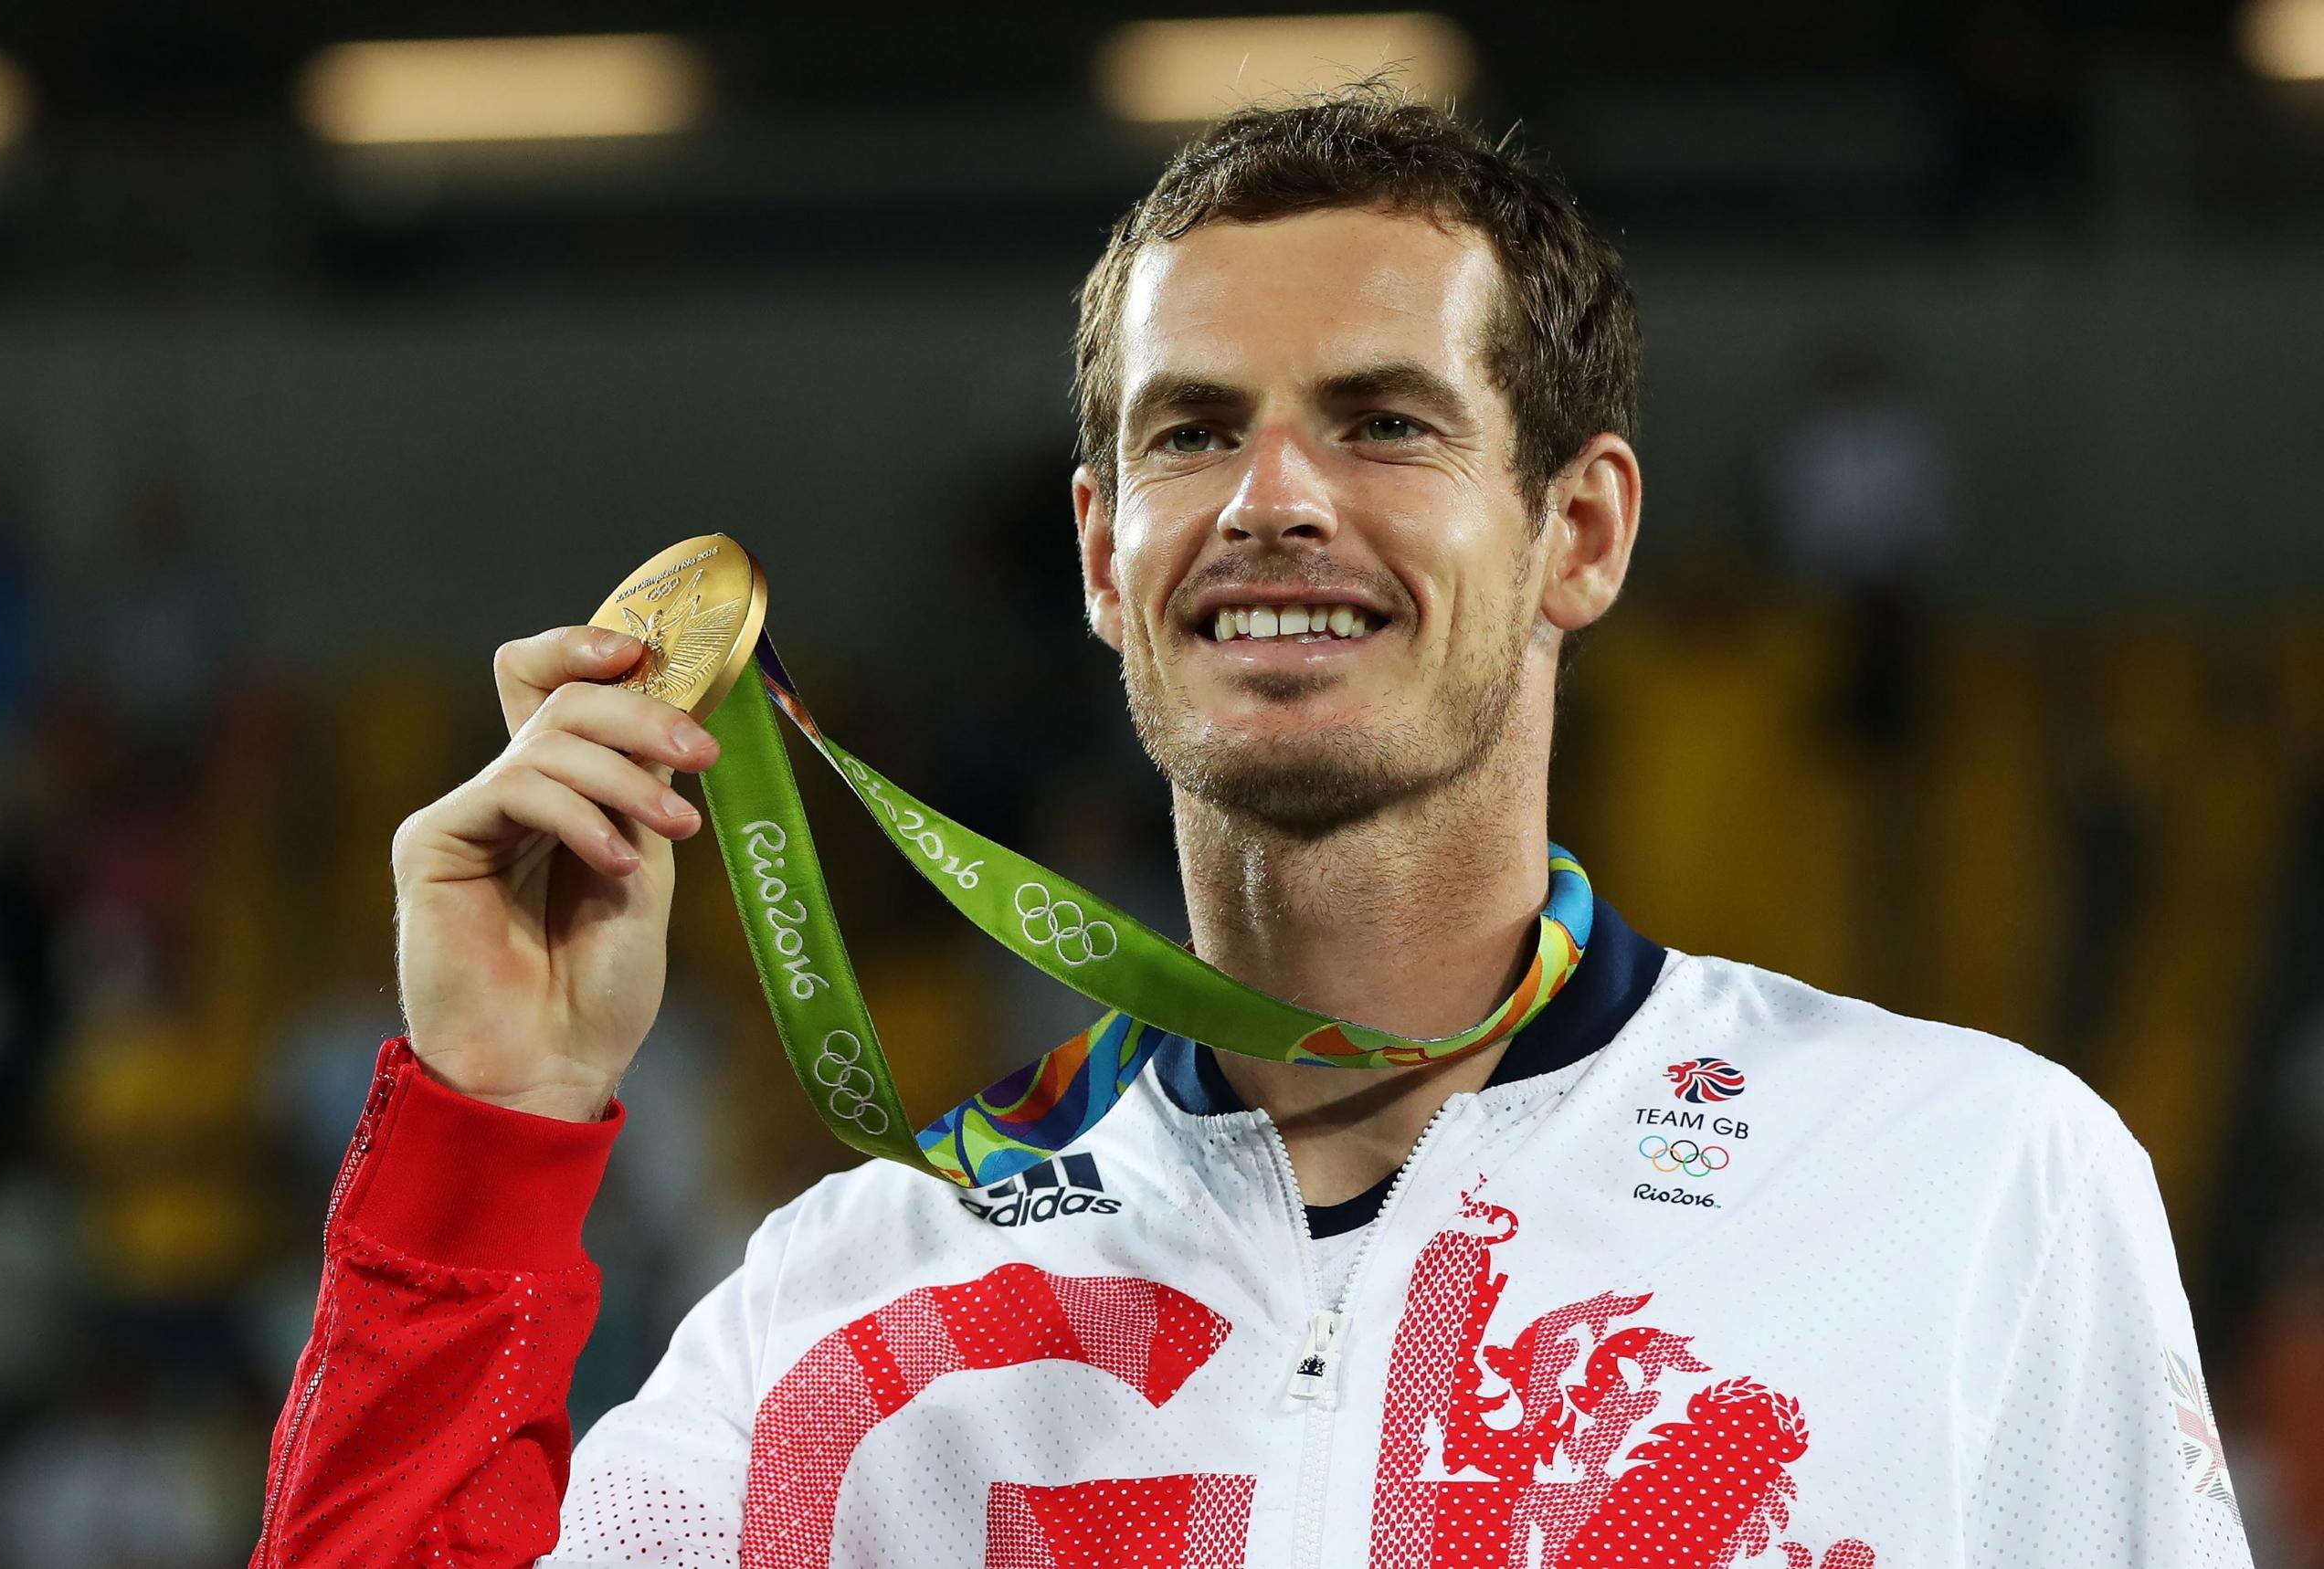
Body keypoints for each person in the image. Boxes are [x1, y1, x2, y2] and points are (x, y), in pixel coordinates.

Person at [249, 88, 2252, 1569]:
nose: (1267, 498)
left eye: (1381, 421)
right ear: (1104, 557)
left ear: (1580, 528)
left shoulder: (1967, 1186)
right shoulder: (849, 1299)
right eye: (1190, 430)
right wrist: (485, 1129)